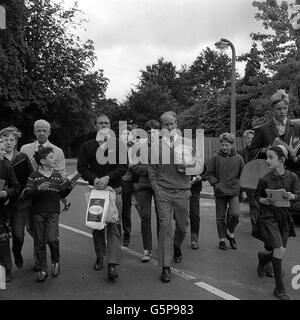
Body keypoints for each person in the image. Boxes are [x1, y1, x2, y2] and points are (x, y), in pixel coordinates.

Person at [248, 89, 300, 277]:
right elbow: (251, 151)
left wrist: (295, 157)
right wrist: (267, 151)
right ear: (272, 109)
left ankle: (268, 257)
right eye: (279, 108)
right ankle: (271, 261)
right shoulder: (263, 129)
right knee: (272, 221)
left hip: (290, 178)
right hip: (270, 181)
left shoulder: (296, 128)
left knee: (285, 225)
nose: (282, 111)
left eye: (285, 108)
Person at [77, 114, 127, 280]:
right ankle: (100, 256)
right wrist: (95, 179)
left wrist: (107, 178)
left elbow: (123, 166)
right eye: (100, 123)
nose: (103, 125)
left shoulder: (119, 145)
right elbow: (82, 168)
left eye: (106, 123)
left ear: (110, 126)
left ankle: (112, 264)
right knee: (97, 226)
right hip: (96, 192)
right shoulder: (87, 146)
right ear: (95, 125)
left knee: (114, 226)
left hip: (115, 191)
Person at [148, 111, 193, 283]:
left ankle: (176, 246)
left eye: (172, 124)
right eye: (165, 124)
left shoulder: (186, 143)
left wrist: (189, 166)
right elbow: (152, 171)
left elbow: (196, 165)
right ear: (161, 128)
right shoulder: (155, 146)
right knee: (165, 227)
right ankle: (166, 267)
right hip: (163, 192)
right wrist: (157, 190)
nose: (169, 127)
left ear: (177, 124)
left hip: (182, 190)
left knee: (182, 227)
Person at [20, 119, 70, 271]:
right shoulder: (25, 148)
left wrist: (63, 195)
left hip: (49, 199)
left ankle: (41, 262)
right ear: (34, 132)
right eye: (38, 130)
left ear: (49, 132)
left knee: (48, 235)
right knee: (33, 230)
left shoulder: (57, 151)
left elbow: (60, 176)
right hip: (30, 195)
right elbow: (21, 172)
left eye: (44, 130)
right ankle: (40, 258)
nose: (41, 133)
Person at [23, 147, 74, 282]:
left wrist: (69, 186)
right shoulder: (33, 176)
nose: (55, 159)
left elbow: (61, 193)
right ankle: (43, 270)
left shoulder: (57, 175)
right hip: (37, 212)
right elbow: (26, 194)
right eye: (51, 157)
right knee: (39, 242)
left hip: (53, 211)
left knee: (52, 239)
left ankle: (55, 261)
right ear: (43, 161)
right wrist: (38, 188)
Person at [255, 145, 299, 300]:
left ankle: (264, 257)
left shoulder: (292, 177)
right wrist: (264, 200)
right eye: (267, 157)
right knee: (279, 249)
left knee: (280, 252)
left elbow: (298, 195)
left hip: (285, 218)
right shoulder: (264, 179)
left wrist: (292, 196)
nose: (267, 160)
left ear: (281, 160)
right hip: (269, 217)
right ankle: (279, 290)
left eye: (270, 157)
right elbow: (256, 197)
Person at [0, 127, 33, 269]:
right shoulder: (0, 160)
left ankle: (17, 251)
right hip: (3, 204)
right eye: (5, 140)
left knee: (18, 235)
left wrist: (26, 190)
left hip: (20, 202)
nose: (8, 143)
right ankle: (7, 267)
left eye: (11, 140)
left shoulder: (22, 157)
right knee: (4, 237)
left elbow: (31, 177)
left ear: (16, 142)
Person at [206, 133, 245, 250]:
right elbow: (209, 173)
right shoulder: (215, 158)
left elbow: (243, 175)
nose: (224, 147)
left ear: (232, 145)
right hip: (220, 191)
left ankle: (230, 234)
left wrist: (243, 190)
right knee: (220, 217)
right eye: (222, 145)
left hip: (234, 191)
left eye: (226, 145)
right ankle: (222, 239)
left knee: (235, 214)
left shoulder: (239, 159)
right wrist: (215, 184)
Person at [131, 119, 160, 262]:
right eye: (149, 132)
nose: (152, 134)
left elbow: (167, 169)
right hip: (144, 185)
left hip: (160, 186)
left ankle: (162, 245)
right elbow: (135, 167)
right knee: (146, 216)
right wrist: (152, 171)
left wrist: (152, 171)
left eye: (155, 132)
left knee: (162, 216)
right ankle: (147, 249)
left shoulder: (164, 147)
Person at [0, 141, 21, 282]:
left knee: (2, 241)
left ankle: (7, 269)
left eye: (2, 149)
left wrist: (7, 192)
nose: (2, 152)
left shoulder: (6, 167)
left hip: (1, 210)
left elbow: (16, 186)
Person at [238, 129, 259, 233]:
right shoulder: (240, 153)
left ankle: (260, 227)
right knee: (253, 206)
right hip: (248, 184)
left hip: (260, 182)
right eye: (248, 138)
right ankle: (255, 228)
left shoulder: (261, 152)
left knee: (260, 206)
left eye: (252, 138)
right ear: (245, 139)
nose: (250, 140)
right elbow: (240, 171)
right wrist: (243, 189)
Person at [189, 165, 206, 250]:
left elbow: (206, 172)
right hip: (180, 188)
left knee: (194, 214)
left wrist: (201, 176)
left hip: (194, 189)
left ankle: (194, 240)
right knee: (178, 215)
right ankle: (178, 236)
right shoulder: (178, 153)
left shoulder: (199, 157)